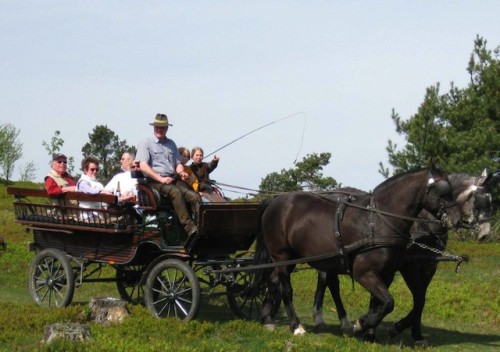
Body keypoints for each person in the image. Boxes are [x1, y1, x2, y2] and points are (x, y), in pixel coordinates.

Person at [135, 113, 200, 237]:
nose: (159, 130)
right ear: (154, 128)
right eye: (157, 127)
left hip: (172, 179)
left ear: (166, 129)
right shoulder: (146, 143)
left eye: (162, 127)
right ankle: (190, 228)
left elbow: (177, 164)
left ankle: (200, 225)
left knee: (194, 196)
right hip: (154, 181)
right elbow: (143, 165)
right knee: (175, 192)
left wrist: (181, 172)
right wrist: (161, 178)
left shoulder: (171, 144)